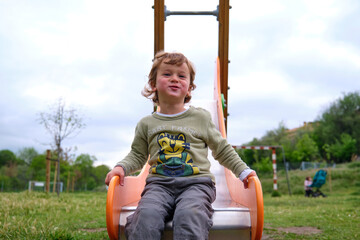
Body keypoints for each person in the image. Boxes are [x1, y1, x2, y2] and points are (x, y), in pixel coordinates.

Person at [105, 51, 257, 240]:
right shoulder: (146, 124)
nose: (175, 79)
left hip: (197, 184)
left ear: (189, 88)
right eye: (167, 74)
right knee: (146, 216)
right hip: (158, 185)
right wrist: (121, 168)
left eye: (181, 75)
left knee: (189, 215)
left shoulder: (200, 118)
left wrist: (243, 171)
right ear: (153, 84)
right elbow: (137, 155)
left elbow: (222, 149)